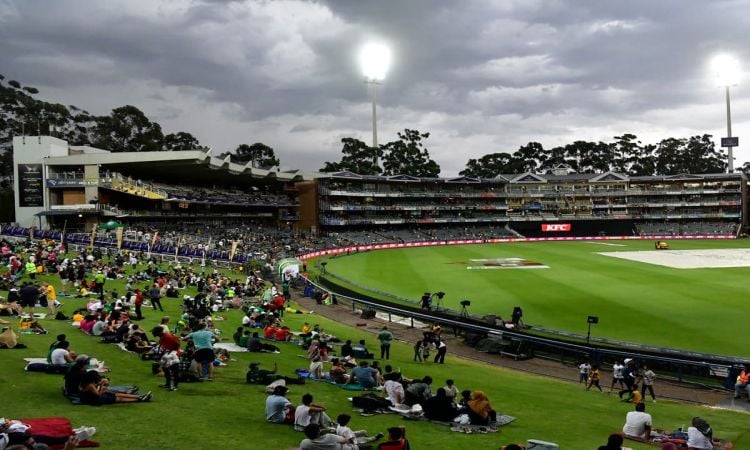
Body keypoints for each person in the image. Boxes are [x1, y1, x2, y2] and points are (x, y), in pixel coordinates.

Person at [79, 370, 151, 405]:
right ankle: (139, 399)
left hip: (90, 398)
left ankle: (139, 397)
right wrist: (102, 385)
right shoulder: (89, 385)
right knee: (118, 398)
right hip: (93, 400)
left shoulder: (85, 383)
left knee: (115, 394)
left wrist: (100, 385)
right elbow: (98, 394)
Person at [152, 326, 180, 391]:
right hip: (167, 353)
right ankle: (168, 384)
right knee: (165, 369)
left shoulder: (167, 336)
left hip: (172, 354)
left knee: (174, 370)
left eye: (155, 333)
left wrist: (172, 351)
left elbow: (177, 343)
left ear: (159, 332)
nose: (154, 334)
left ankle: (175, 386)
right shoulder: (162, 337)